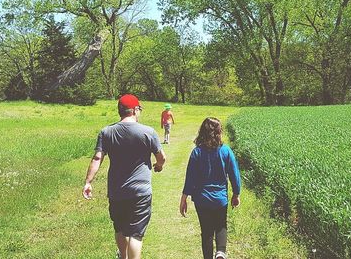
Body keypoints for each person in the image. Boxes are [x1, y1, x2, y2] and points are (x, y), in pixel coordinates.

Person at [83, 94, 166, 259]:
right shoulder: (148, 132)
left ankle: (123, 256)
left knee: (120, 228)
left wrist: (88, 182)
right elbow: (161, 157)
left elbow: (98, 158)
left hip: (117, 191)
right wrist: (158, 166)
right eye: (139, 109)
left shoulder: (106, 132)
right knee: (136, 234)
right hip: (140, 191)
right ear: (135, 110)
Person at [180, 117, 241, 259]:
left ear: (202, 132)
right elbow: (234, 174)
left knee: (206, 231)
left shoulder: (197, 152)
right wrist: (236, 194)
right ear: (219, 132)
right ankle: (220, 252)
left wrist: (184, 199)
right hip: (220, 199)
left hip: (202, 200)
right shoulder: (225, 151)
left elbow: (190, 178)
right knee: (221, 226)